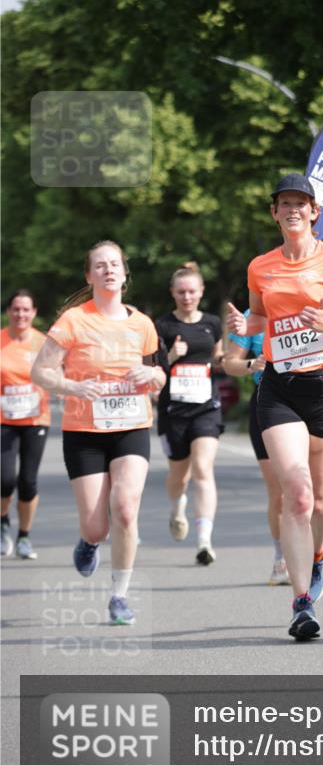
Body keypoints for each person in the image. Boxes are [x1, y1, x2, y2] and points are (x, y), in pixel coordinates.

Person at [227, 173, 323, 641]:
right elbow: (258, 316)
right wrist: (239, 324)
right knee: (298, 491)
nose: (292, 210)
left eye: (301, 203)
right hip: (279, 388)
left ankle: (318, 552)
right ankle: (301, 602)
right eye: (284, 203)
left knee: (322, 500)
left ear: (314, 212)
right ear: (274, 212)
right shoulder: (260, 267)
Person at [31, 241, 165, 625]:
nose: (108, 270)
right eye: (99, 266)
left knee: (125, 507)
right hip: (84, 430)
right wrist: (71, 387)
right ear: (89, 276)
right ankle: (89, 542)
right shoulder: (73, 320)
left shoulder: (142, 324)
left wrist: (151, 375)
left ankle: (119, 595)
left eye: (115, 264)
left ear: (125, 273)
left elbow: (158, 373)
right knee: (97, 524)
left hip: (131, 427)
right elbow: (41, 371)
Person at [156, 263, 224, 565]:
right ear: (173, 293)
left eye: (192, 291)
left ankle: (204, 540)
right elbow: (154, 370)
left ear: (201, 292)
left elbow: (220, 358)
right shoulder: (162, 326)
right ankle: (177, 507)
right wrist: (172, 355)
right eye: (181, 292)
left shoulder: (212, 324)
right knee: (178, 475)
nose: (187, 297)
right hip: (174, 411)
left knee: (202, 468)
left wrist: (236, 356)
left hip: (206, 408)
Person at [225, 311, 290, 586]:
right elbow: (230, 363)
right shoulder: (251, 317)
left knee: (309, 492)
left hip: (310, 401)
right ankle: (282, 559)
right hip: (267, 405)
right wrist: (253, 364)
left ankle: (313, 554)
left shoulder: (308, 301)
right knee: (279, 491)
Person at [1, 290, 51, 560]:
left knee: (28, 481)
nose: (21, 314)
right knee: (5, 479)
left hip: (35, 419)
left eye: (26, 310)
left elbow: (58, 375)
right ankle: (2, 524)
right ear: (9, 311)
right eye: (16, 309)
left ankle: (24, 537)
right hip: (3, 420)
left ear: (34, 313)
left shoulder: (44, 344)